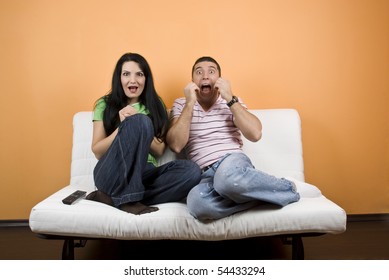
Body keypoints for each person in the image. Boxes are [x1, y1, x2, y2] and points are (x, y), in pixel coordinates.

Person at [166, 56, 300, 221]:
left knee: (226, 180)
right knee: (197, 204)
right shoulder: (182, 104)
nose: (205, 76)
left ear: (219, 80)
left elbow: (255, 133)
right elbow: (176, 145)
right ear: (192, 81)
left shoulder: (230, 101)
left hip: (231, 164)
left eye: (211, 72)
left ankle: (286, 187)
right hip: (204, 175)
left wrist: (230, 98)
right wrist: (189, 103)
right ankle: (265, 197)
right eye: (199, 72)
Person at [87, 52, 201, 215]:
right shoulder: (104, 104)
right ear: (119, 78)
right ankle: (130, 200)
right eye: (126, 74)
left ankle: (112, 198)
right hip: (112, 171)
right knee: (140, 121)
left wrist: (140, 123)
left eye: (139, 74)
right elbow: (98, 151)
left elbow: (160, 149)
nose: (132, 80)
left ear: (146, 79)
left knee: (192, 172)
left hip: (144, 173)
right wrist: (123, 127)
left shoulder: (155, 104)